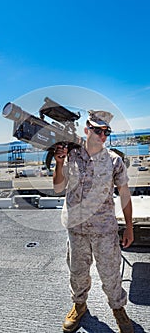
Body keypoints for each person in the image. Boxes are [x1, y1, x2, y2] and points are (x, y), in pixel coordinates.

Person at [53, 109, 134, 333]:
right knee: (77, 273)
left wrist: (129, 227)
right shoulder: (71, 155)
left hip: (105, 230)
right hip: (76, 230)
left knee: (111, 274)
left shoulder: (114, 161)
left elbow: (125, 195)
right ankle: (79, 305)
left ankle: (118, 309)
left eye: (106, 131)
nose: (102, 135)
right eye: (98, 130)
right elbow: (58, 187)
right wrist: (59, 164)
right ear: (87, 129)